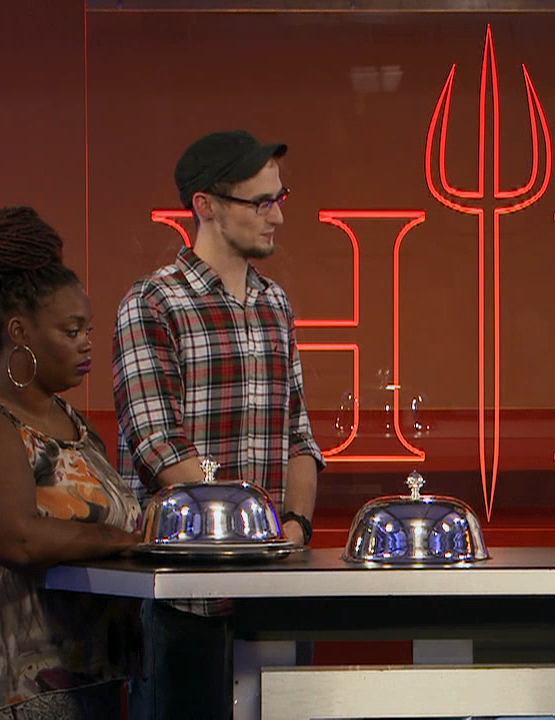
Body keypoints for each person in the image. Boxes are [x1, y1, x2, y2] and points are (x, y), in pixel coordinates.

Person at [113, 129, 325, 720]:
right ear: (205, 205)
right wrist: (253, 536)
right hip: (186, 601)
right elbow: (158, 448)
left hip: (274, 595)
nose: (277, 217)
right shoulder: (153, 303)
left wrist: (295, 527)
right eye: (261, 203)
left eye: (279, 198)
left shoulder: (275, 305)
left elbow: (299, 437)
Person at [0, 206, 141, 719]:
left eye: (89, 328)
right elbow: (18, 539)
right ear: (20, 331)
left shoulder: (76, 425)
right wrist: (123, 540)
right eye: (71, 331)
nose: (87, 343)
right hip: (7, 691)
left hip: (92, 677)